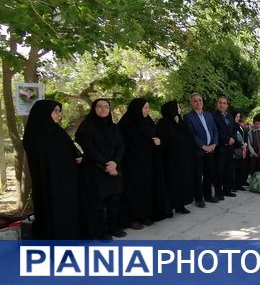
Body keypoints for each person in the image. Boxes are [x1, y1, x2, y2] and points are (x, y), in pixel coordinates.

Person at [23, 100, 82, 239]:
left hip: (67, 182)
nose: (59, 115)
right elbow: (43, 159)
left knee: (68, 211)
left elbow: (72, 149)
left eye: (59, 111)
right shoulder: (34, 135)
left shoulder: (58, 131)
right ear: (44, 113)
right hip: (48, 182)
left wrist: (78, 157)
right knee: (52, 211)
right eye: (55, 111)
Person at [75, 99, 126, 239]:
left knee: (114, 201)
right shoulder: (87, 127)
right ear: (93, 109)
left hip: (114, 168)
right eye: (99, 106)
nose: (103, 109)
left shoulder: (114, 127)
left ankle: (114, 228)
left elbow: (121, 146)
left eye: (106, 107)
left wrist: (114, 163)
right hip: (95, 169)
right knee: (98, 203)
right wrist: (106, 165)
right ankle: (101, 232)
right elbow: (89, 149)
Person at [118, 98, 171, 230]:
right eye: (145, 108)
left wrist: (159, 140)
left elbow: (156, 135)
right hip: (132, 165)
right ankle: (133, 218)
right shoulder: (126, 124)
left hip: (149, 163)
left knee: (148, 189)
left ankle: (146, 215)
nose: (148, 110)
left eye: (148, 107)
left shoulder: (148, 121)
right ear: (137, 109)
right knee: (135, 190)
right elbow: (124, 144)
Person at [156, 101, 195, 215]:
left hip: (182, 158)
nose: (179, 109)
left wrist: (178, 123)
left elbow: (188, 134)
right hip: (170, 159)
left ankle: (180, 205)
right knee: (171, 182)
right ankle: (169, 207)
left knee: (182, 182)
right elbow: (164, 140)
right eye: (177, 107)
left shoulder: (180, 121)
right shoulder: (163, 123)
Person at [183, 93, 218, 207]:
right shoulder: (188, 117)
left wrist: (214, 144)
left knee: (209, 174)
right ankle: (198, 199)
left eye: (200, 100)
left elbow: (215, 130)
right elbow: (192, 135)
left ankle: (208, 195)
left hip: (211, 149)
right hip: (198, 152)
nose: (198, 102)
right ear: (191, 103)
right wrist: (203, 146)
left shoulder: (209, 115)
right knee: (198, 176)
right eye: (195, 101)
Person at [213, 95, 237, 199]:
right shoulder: (213, 116)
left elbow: (234, 130)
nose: (222, 105)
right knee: (219, 171)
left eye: (224, 103)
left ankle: (227, 190)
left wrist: (233, 138)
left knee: (228, 169)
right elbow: (215, 131)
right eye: (220, 103)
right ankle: (218, 193)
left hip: (230, 148)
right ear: (217, 104)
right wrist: (227, 139)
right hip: (220, 147)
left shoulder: (230, 116)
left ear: (227, 105)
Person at [232, 111, 248, 190]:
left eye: (239, 117)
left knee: (240, 167)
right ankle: (234, 185)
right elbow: (234, 138)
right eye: (237, 117)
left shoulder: (239, 126)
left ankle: (239, 184)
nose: (238, 118)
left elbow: (244, 136)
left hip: (242, 149)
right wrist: (241, 144)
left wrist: (245, 143)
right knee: (235, 168)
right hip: (235, 149)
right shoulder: (232, 126)